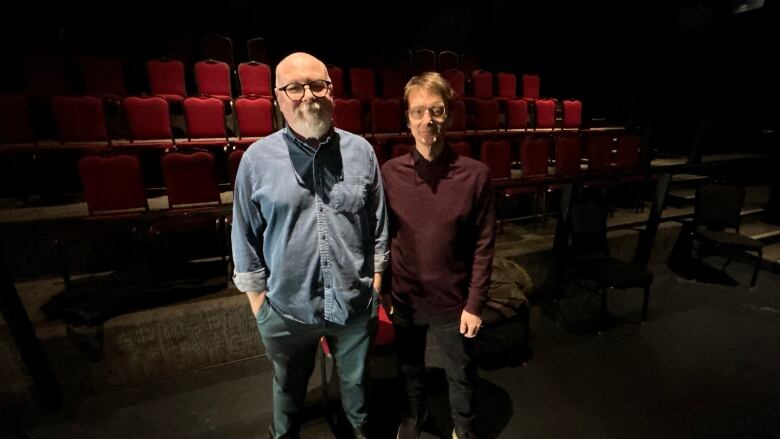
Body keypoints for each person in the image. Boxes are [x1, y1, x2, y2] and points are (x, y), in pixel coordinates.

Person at [231, 52, 388, 439]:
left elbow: (378, 225)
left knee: (356, 386)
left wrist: (377, 283)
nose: (308, 95)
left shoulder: (361, 152)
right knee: (287, 388)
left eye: (318, 85)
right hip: (285, 310)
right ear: (277, 97)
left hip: (353, 304)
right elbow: (244, 236)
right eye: (295, 87)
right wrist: (260, 306)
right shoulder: (255, 161)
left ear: (331, 92)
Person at [380, 72, 496, 439]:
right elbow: (382, 236)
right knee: (411, 369)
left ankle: (464, 429)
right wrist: (384, 292)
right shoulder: (389, 173)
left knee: (460, 372)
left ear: (449, 116)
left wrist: (475, 303)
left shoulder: (476, 176)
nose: (427, 120)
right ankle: (416, 419)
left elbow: (484, 243)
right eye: (418, 112)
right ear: (407, 119)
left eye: (436, 110)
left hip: (454, 299)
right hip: (406, 299)